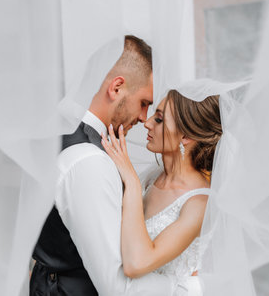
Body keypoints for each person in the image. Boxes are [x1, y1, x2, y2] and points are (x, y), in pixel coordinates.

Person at [30, 35, 188, 296]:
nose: (143, 117)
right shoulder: (88, 162)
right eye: (144, 103)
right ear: (116, 88)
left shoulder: (60, 134)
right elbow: (118, 288)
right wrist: (191, 287)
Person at [101, 89, 222, 295]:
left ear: (185, 136)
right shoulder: (152, 178)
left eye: (158, 119)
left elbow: (136, 265)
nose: (147, 123)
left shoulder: (199, 203)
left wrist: (130, 181)